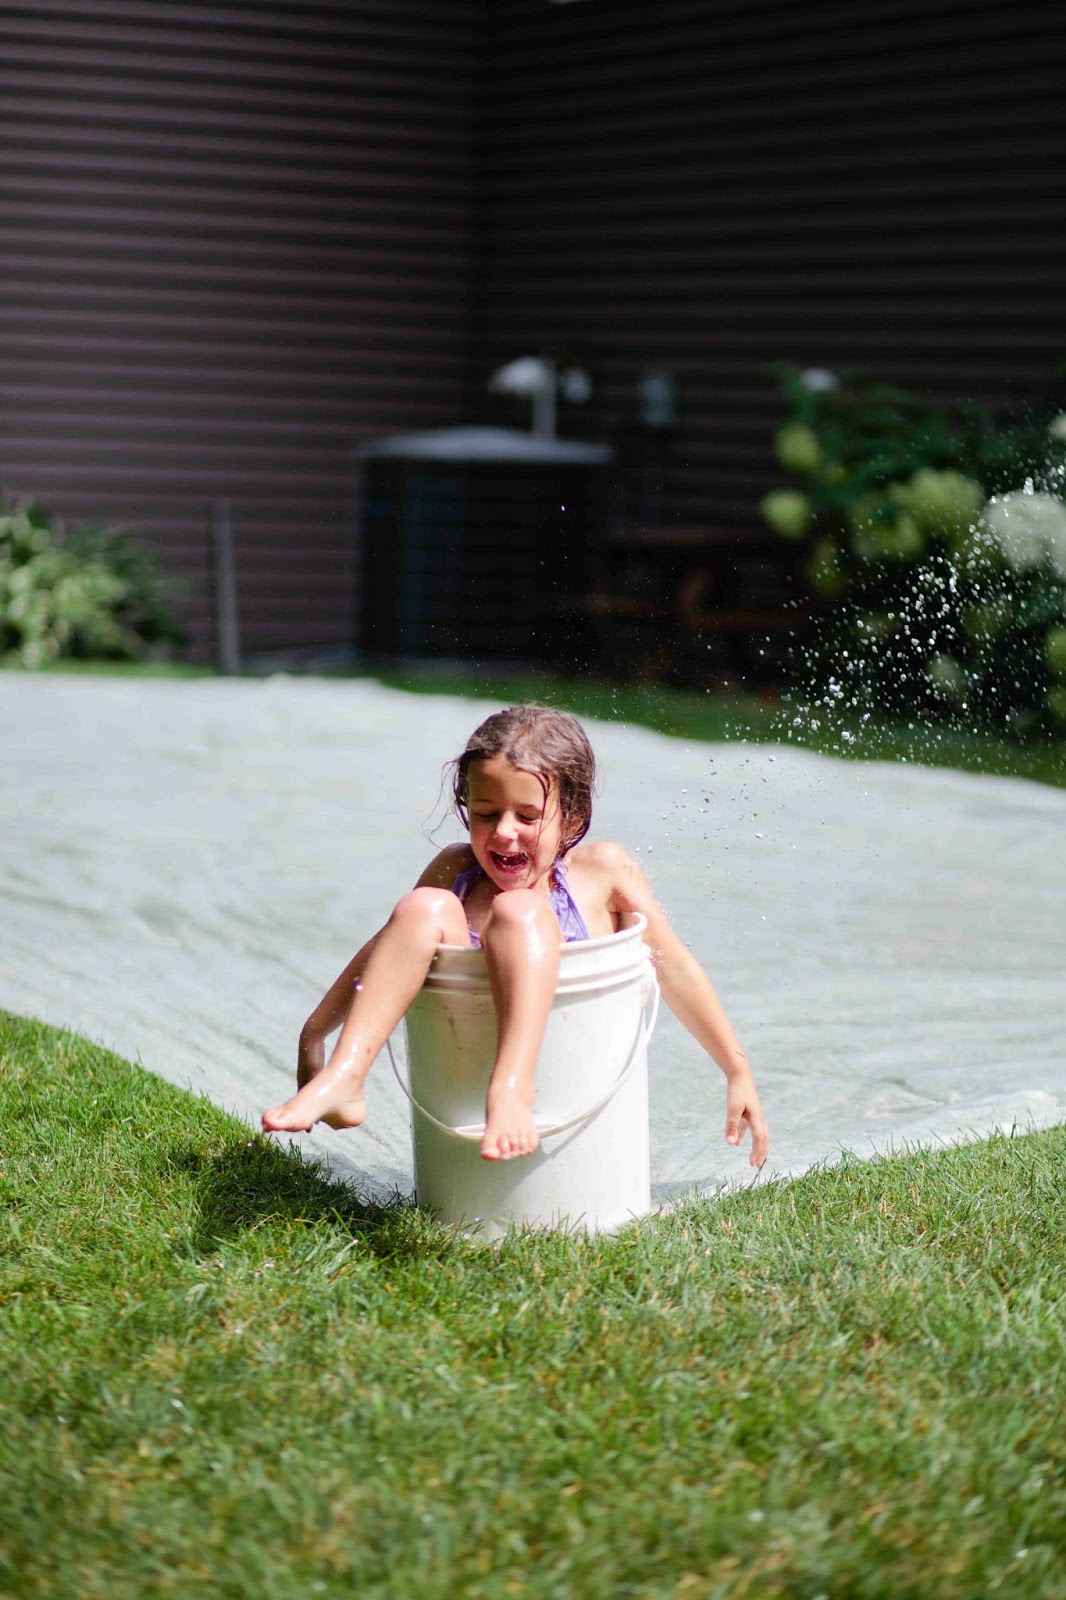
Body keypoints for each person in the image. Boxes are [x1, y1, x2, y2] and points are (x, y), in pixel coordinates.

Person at [262, 705, 769, 1166]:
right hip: (460, 1073)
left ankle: (511, 1087)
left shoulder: (600, 874)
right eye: (486, 814)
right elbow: (388, 950)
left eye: (528, 816)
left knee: (518, 911)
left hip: (566, 1084)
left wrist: (736, 1069)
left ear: (571, 818)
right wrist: (316, 1031)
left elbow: (673, 967)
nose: (504, 832)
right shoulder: (455, 872)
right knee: (421, 907)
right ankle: (349, 1075)